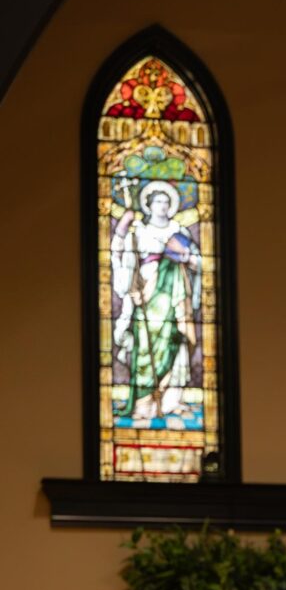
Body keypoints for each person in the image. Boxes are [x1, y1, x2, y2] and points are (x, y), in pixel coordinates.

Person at [110, 180, 201, 421]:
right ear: (148, 205)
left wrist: (185, 258)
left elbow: (196, 261)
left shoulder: (179, 231)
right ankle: (143, 404)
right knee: (144, 348)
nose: (163, 206)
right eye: (158, 201)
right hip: (146, 294)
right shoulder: (138, 230)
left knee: (178, 341)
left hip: (175, 295)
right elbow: (119, 251)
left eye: (166, 202)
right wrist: (123, 227)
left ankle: (170, 400)